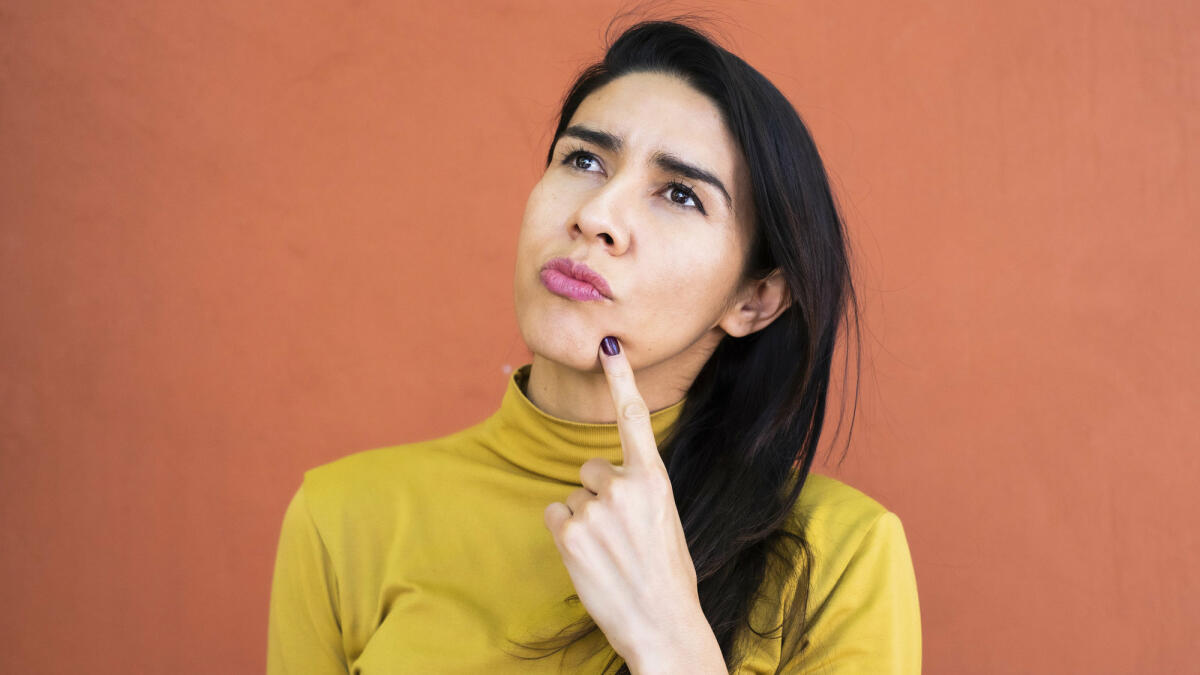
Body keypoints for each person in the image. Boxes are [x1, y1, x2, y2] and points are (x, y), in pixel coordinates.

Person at [267, 17, 921, 675]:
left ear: (753, 300)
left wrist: (671, 640)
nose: (596, 214)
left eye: (679, 194)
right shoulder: (341, 519)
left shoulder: (844, 557)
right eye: (583, 160)